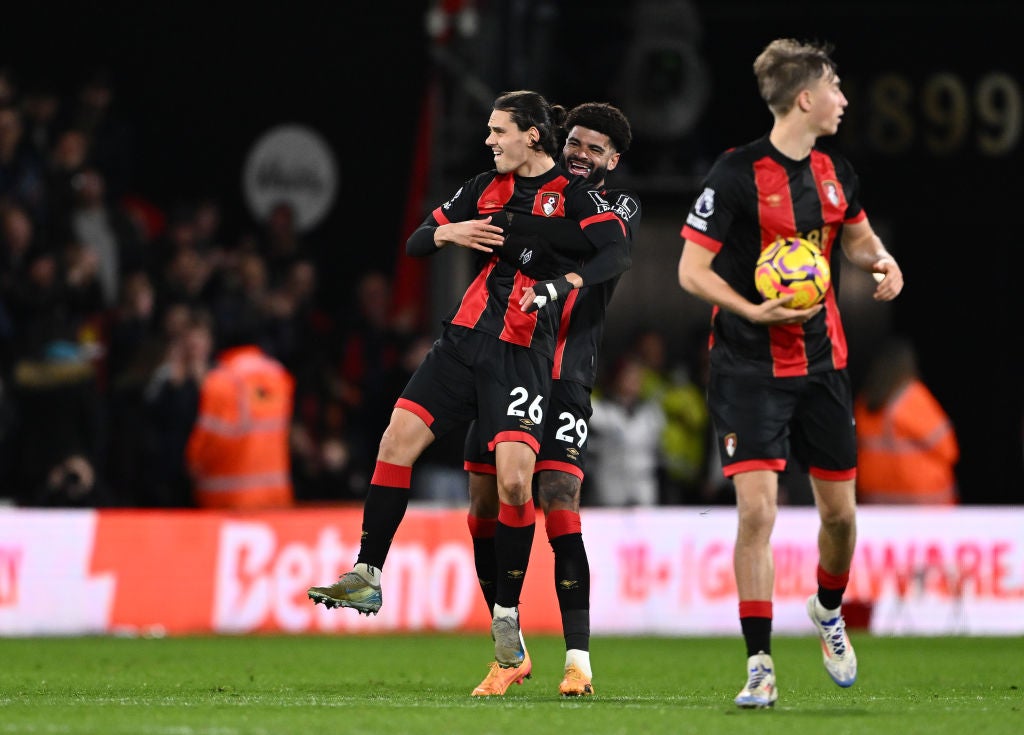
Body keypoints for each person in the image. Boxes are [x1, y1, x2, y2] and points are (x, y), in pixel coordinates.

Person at [306, 92, 632, 679]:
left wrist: (548, 269)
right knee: (397, 441)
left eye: (497, 130)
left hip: (527, 356)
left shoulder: (585, 200)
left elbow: (614, 250)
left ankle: (533, 631)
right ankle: (367, 573)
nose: (488, 140)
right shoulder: (484, 184)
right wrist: (455, 234)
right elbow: (417, 241)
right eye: (488, 131)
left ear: (530, 135)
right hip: (462, 339)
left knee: (522, 489)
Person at [676, 38, 904, 709]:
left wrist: (882, 260)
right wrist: (754, 307)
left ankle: (828, 609)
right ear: (805, 98)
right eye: (835, 87)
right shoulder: (736, 174)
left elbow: (856, 235)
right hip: (747, 368)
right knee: (758, 511)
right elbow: (689, 271)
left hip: (823, 366)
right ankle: (758, 663)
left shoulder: (837, 171)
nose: (844, 99)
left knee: (840, 518)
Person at [462, 102, 639, 697]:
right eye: (576, 144)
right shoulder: (525, 190)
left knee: (559, 499)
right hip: (508, 358)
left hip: (567, 374)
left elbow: (603, 255)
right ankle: (507, 647)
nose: (581, 155)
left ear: (613, 161)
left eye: (596, 150)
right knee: (483, 502)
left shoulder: (618, 211)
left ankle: (578, 661)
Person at [185, 305, 294, 509]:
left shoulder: (221, 381)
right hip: (276, 501)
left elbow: (205, 447)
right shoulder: (279, 375)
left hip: (228, 503)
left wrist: (191, 466)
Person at [854, 336, 958, 504]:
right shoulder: (911, 397)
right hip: (923, 506)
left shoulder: (864, 403)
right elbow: (949, 449)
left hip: (876, 504)